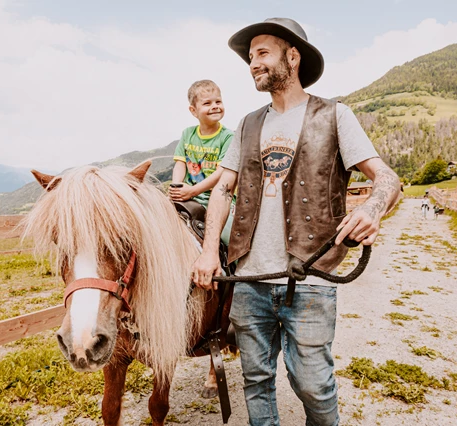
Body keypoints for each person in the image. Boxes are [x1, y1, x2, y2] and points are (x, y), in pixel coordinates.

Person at [191, 18, 401, 426]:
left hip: (311, 278)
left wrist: (371, 209)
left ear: (292, 55)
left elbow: (388, 178)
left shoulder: (335, 115)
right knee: (255, 380)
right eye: (250, 57)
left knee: (312, 385)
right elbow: (222, 189)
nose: (253, 63)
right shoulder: (248, 124)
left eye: (262, 53)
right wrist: (207, 252)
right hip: (248, 280)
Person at [169, 80, 235, 244]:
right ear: (193, 110)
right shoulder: (188, 134)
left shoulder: (227, 137)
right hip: (189, 195)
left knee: (230, 236)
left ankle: (234, 266)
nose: (215, 106)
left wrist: (193, 191)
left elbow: (221, 172)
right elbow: (180, 163)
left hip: (218, 197)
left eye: (218, 101)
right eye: (207, 103)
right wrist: (177, 188)